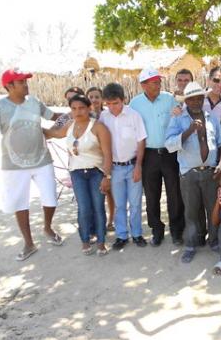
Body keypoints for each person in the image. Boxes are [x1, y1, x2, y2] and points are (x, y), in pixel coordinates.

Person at [0, 69, 62, 261]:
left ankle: (47, 227)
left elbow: (56, 117)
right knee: (20, 202)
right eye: (21, 82)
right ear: (9, 86)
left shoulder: (34, 102)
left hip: (42, 160)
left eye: (26, 81)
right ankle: (28, 242)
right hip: (14, 165)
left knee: (50, 197)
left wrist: (80, 113)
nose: (26, 84)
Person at [165, 81, 221, 263]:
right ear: (186, 101)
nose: (195, 102)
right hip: (189, 173)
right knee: (192, 212)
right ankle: (191, 244)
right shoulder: (178, 119)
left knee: (213, 210)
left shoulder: (211, 118)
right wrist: (189, 131)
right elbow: (169, 144)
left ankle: (214, 241)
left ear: (203, 99)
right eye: (191, 99)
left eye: (199, 98)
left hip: (211, 172)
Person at [44, 95, 112, 256]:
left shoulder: (98, 127)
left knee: (98, 207)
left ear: (89, 108)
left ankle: (101, 242)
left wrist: (107, 177)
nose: (77, 111)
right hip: (76, 173)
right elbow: (52, 133)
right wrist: (32, 126)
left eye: (81, 108)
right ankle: (85, 240)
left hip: (96, 172)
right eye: (73, 108)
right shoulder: (69, 126)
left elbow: (108, 154)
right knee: (83, 208)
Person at [130, 67, 184, 247]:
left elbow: (180, 118)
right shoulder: (135, 104)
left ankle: (177, 231)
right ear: (144, 85)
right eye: (154, 82)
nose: (159, 85)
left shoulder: (169, 99)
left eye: (159, 81)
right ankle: (157, 230)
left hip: (170, 153)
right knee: (152, 196)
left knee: (174, 194)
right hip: (149, 155)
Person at [99, 82, 148, 250]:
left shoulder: (134, 116)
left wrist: (138, 166)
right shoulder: (104, 117)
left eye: (116, 103)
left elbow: (141, 141)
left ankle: (137, 234)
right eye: (109, 104)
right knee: (119, 204)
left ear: (123, 100)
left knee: (135, 203)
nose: (112, 107)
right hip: (114, 168)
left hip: (132, 165)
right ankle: (121, 235)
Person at [86, 86, 114, 231]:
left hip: (107, 156)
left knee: (110, 191)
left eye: (97, 96)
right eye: (91, 97)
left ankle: (111, 220)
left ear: (102, 99)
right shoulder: (83, 116)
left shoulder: (107, 115)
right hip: (91, 158)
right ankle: (96, 223)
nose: (94, 99)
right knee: (94, 194)